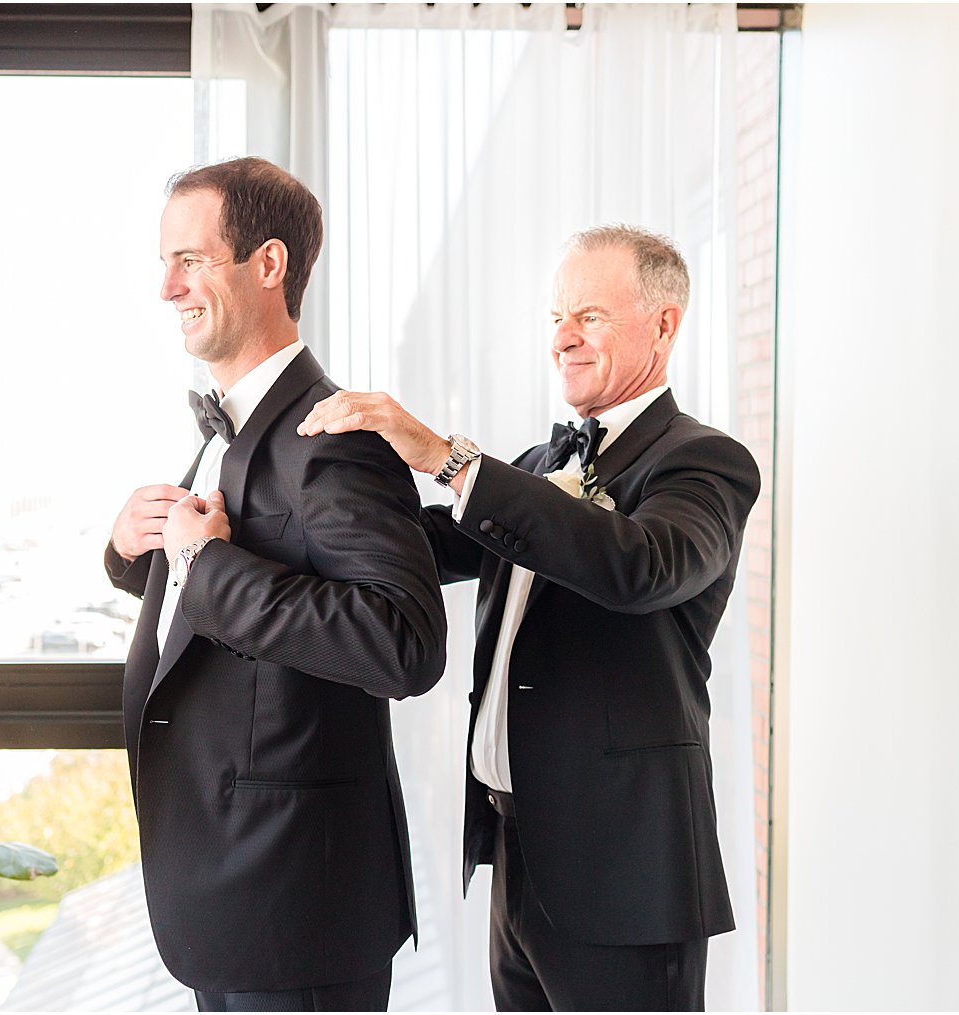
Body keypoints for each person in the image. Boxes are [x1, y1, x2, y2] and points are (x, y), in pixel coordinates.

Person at [298, 225, 761, 1011]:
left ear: (664, 323)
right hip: (517, 851)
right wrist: (277, 516)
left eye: (588, 315)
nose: (563, 339)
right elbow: (423, 545)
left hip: (624, 876)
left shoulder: (705, 461)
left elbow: (639, 564)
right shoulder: (544, 467)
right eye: (554, 317)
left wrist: (445, 455)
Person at [103, 156, 447, 1012]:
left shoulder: (338, 437)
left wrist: (207, 564)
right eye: (163, 263)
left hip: (297, 903)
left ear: (268, 265)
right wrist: (131, 552)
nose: (167, 288)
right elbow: (237, 608)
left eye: (190, 260)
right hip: (234, 896)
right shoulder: (233, 428)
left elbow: (402, 641)